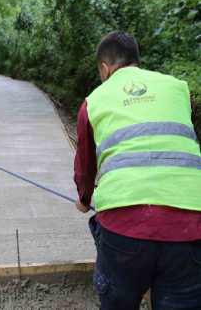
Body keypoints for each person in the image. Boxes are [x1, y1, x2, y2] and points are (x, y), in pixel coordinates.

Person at [73, 31, 201, 310]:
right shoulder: (177, 88)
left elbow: (85, 166)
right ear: (135, 61)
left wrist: (84, 200)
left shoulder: (94, 100)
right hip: (190, 223)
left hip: (124, 226)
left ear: (105, 68)